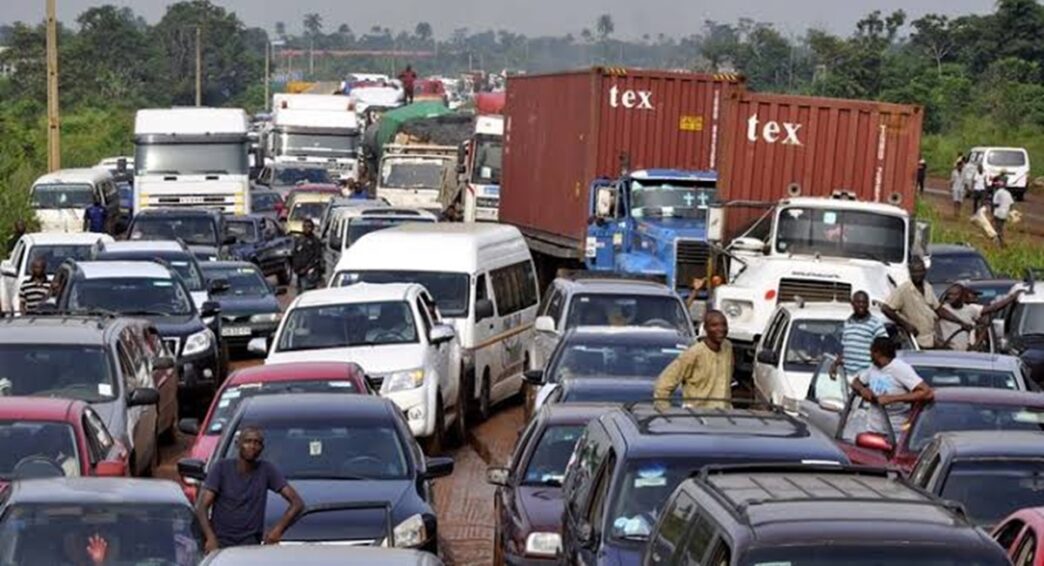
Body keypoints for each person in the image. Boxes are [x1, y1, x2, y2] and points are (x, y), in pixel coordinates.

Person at [196, 426, 303, 551]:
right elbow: (202, 506)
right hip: (220, 543)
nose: (252, 446)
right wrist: (210, 538)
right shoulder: (221, 468)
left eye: (257, 443)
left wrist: (277, 531)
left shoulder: (266, 470)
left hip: (251, 544)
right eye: (248, 441)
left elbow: (297, 503)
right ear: (238, 444)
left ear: (262, 448)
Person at [882, 257, 971, 350]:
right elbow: (886, 308)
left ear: (925, 272)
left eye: (920, 271)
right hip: (915, 342)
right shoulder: (904, 290)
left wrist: (960, 322)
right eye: (914, 272)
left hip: (931, 338)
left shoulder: (928, 287)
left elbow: (939, 310)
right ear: (910, 272)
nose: (918, 275)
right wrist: (905, 324)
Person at [850, 336, 933, 435]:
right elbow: (856, 382)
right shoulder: (873, 368)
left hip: (896, 431)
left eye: (871, 352)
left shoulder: (900, 368)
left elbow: (926, 392)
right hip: (873, 429)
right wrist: (863, 390)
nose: (870, 355)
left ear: (878, 353)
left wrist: (892, 399)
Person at [653, 310, 732, 409]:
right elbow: (663, 385)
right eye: (714, 325)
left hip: (724, 415)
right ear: (706, 328)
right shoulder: (693, 353)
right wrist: (665, 412)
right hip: (697, 417)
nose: (721, 329)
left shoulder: (727, 347)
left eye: (724, 325)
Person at [938, 282, 1023, 351]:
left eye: (955, 294)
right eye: (949, 294)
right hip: (946, 352)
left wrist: (976, 345)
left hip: (965, 353)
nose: (951, 297)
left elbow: (992, 310)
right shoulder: (942, 309)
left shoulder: (970, 309)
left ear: (962, 296)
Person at [837, 291, 888, 376]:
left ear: (868, 304)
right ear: (852, 304)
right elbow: (845, 349)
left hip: (867, 376)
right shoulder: (848, 323)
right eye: (858, 302)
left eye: (864, 302)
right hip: (847, 375)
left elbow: (884, 348)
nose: (861, 305)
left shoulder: (875, 324)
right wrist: (836, 364)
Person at [292, 219, 323, 293]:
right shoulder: (299, 240)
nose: (306, 228)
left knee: (308, 292)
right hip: (299, 272)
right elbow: (295, 254)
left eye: (308, 226)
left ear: (312, 228)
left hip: (309, 272)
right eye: (304, 226)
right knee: (300, 293)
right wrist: (296, 267)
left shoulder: (315, 241)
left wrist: (307, 269)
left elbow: (317, 257)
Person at [992, 183, 1014, 248]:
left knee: (998, 228)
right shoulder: (1008, 193)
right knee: (1001, 228)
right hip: (1005, 213)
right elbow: (1011, 204)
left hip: (999, 213)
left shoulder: (997, 193)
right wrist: (1009, 212)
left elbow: (995, 203)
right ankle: (1001, 242)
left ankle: (1000, 243)